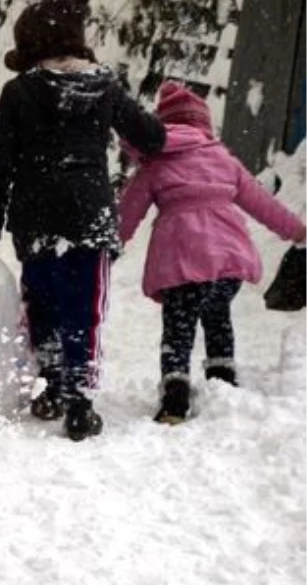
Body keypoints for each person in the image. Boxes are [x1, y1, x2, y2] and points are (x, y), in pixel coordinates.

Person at [0, 0, 166, 442]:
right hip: (88, 216)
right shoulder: (104, 88)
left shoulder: (18, 92)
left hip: (35, 218)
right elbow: (151, 138)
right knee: (84, 308)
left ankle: (53, 387)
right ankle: (79, 401)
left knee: (43, 302)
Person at [119, 81, 307, 424]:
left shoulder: (155, 163)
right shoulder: (223, 159)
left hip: (181, 261)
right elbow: (262, 204)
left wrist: (108, 245)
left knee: (179, 328)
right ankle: (223, 378)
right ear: (204, 126)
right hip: (227, 260)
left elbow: (128, 211)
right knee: (218, 314)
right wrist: (298, 232)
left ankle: (175, 396)